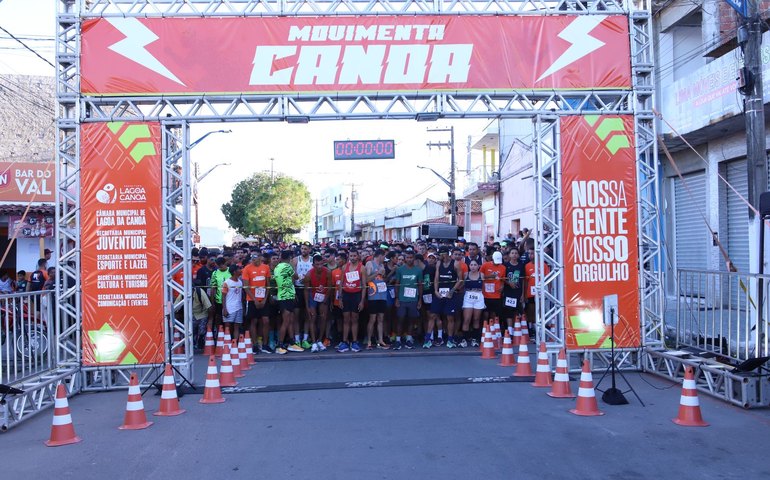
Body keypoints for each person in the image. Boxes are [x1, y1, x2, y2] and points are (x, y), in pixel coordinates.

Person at [433, 247, 463, 348]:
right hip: (440, 293)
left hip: (450, 293)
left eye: (441, 254)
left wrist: (452, 291)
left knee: (450, 317)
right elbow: (436, 278)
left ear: (446, 254)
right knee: (437, 315)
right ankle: (442, 336)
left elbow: (460, 279)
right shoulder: (438, 263)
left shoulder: (455, 264)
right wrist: (436, 291)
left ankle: (450, 339)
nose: (439, 256)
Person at [242, 253, 272, 353]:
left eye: (256, 258)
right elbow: (246, 286)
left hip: (263, 299)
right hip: (251, 300)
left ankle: (265, 344)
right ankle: (254, 344)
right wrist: (254, 300)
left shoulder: (266, 267)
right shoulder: (247, 268)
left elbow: (268, 285)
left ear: (260, 258)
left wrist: (264, 299)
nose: (254, 260)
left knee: (266, 320)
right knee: (253, 321)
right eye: (252, 259)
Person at [338, 249, 367, 353]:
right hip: (346, 295)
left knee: (355, 318)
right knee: (346, 319)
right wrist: (340, 298)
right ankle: (345, 341)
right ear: (348, 256)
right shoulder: (344, 267)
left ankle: (354, 341)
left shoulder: (362, 268)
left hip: (356, 295)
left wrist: (362, 301)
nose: (353, 257)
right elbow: (341, 284)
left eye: (355, 256)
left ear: (358, 256)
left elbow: (364, 286)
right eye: (351, 256)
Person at [393, 250, 423, 349]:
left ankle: (409, 339)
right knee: (400, 319)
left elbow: (420, 286)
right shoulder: (400, 270)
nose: (409, 259)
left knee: (411, 320)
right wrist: (396, 298)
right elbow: (397, 284)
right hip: (402, 299)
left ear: (414, 258)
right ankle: (398, 340)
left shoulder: (418, 270)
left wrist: (419, 300)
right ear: (405, 258)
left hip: (413, 300)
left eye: (411, 258)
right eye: (407, 258)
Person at [274, 250, 302, 354]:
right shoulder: (288, 266)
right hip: (286, 297)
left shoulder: (277, 267)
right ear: (290, 258)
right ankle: (279, 345)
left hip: (287, 296)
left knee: (290, 320)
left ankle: (291, 343)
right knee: (286, 322)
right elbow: (296, 277)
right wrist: (293, 266)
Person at [304, 254, 332, 352]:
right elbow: (306, 291)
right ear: (313, 265)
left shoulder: (328, 272)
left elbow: (329, 287)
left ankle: (320, 339)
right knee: (312, 317)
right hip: (313, 296)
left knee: (323, 317)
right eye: (317, 264)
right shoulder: (308, 274)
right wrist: (307, 306)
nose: (319, 267)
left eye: (321, 264)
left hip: (323, 296)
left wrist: (325, 299)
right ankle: (314, 341)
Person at [479, 250, 507, 332]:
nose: (497, 263)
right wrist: (490, 276)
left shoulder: (503, 267)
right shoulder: (485, 265)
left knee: (494, 314)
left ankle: (493, 329)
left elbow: (502, 279)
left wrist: (502, 286)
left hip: (496, 294)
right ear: (492, 258)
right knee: (485, 313)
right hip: (485, 294)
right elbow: (481, 277)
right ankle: (484, 329)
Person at [460, 259, 485, 347]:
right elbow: (461, 284)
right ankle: (464, 340)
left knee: (476, 319)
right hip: (468, 296)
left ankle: (475, 339)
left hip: (478, 296)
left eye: (475, 265)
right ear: (469, 266)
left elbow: (486, 284)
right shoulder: (466, 274)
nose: (473, 266)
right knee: (467, 319)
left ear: (478, 266)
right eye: (471, 265)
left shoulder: (481, 275)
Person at [502, 248, 526, 334]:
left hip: (518, 291)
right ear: (509, 255)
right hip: (508, 291)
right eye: (512, 253)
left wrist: (523, 294)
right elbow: (503, 278)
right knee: (509, 311)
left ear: (518, 255)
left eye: (516, 253)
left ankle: (517, 329)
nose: (514, 255)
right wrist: (509, 283)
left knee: (517, 311)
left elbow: (523, 280)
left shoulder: (521, 265)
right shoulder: (505, 265)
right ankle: (510, 331)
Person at [221, 264, 244, 341]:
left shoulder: (240, 282)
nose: (240, 270)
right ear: (234, 272)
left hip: (239, 307)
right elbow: (223, 296)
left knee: (237, 326)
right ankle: (227, 344)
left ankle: (235, 344)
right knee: (228, 327)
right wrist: (224, 309)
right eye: (238, 269)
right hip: (229, 308)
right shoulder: (227, 282)